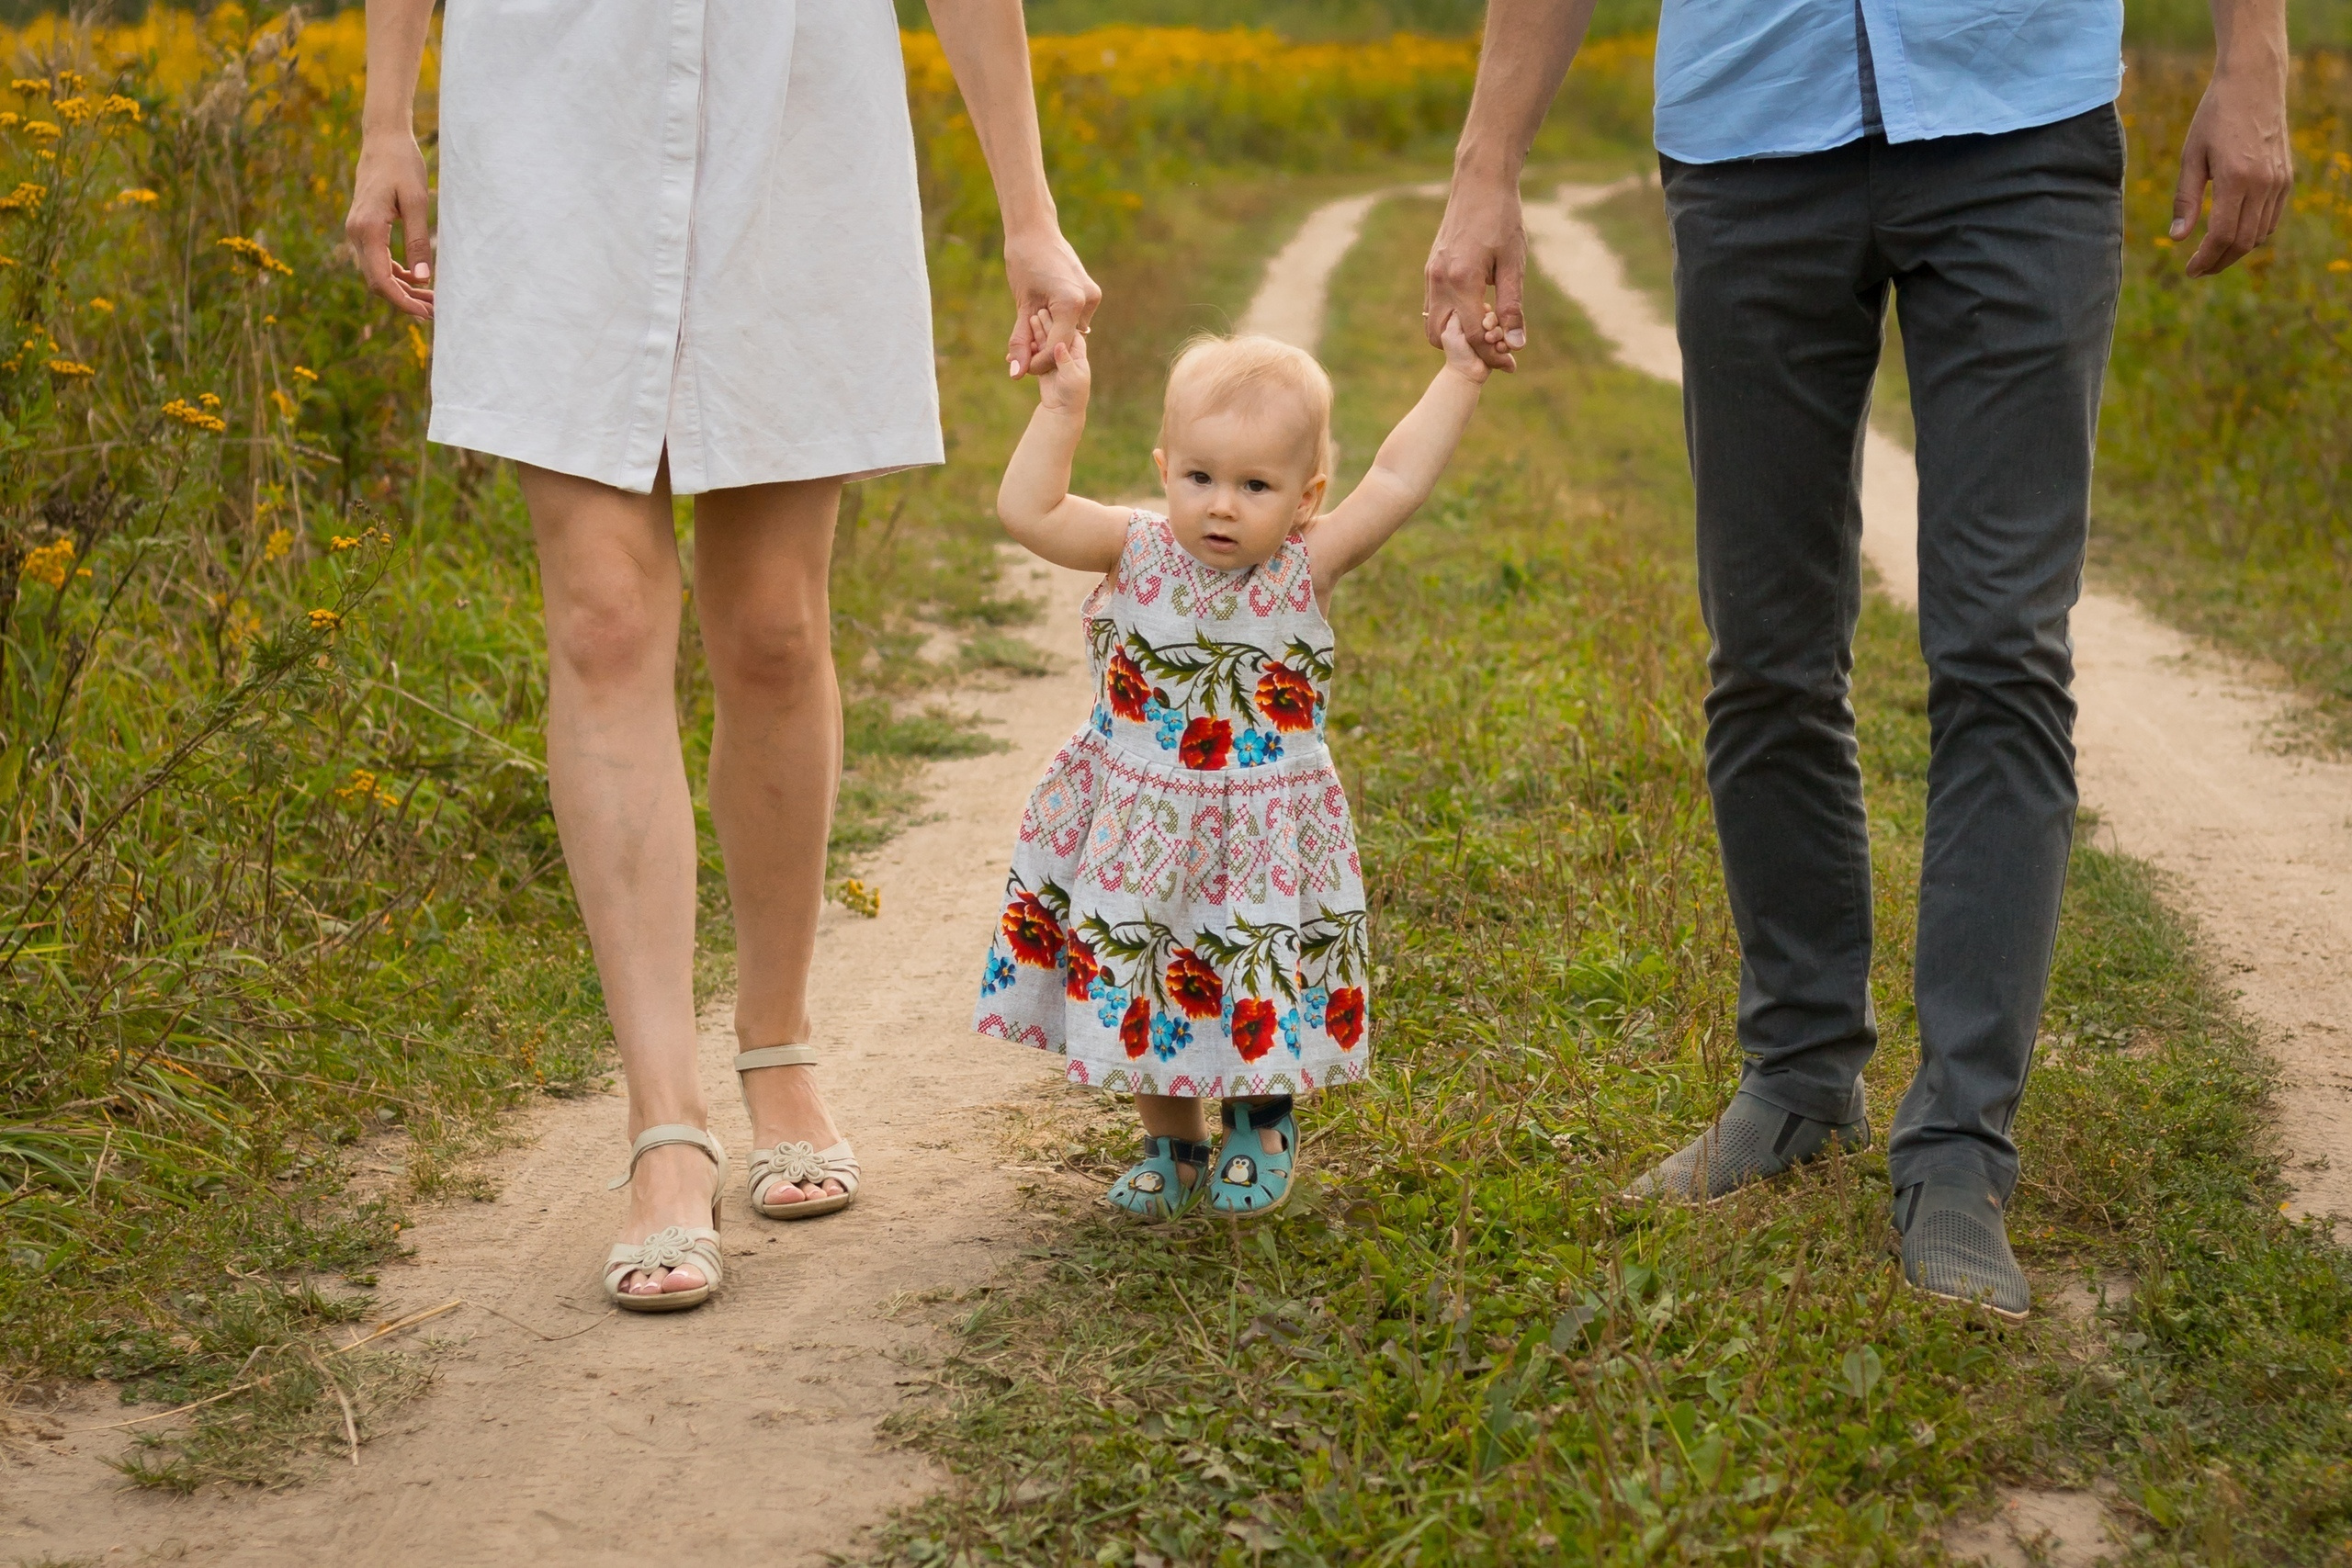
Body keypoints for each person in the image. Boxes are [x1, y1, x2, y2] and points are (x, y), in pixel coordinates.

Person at [1427, 0, 2289, 1317]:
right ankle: (1797, 1076)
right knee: (1765, 651)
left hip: (2019, 114)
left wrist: (2252, 61)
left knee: (2001, 649)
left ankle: (1958, 1150)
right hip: (1747, 129)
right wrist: (1485, 165)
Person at [345, 0, 1101, 1313]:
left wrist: (1027, 211)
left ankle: (777, 1040)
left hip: (795, 108)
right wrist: (383, 121)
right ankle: (666, 1125)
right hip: (556, 103)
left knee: (772, 627)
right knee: (603, 618)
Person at [972, 319, 1488, 1219]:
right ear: (1164, 466)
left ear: (1305, 496)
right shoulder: (1131, 546)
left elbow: (1397, 479)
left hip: (1259, 832)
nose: (1221, 506)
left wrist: (1461, 375)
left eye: (1255, 486)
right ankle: (1170, 1142)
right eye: (1199, 477)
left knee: (1254, 968)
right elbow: (1030, 512)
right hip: (1137, 822)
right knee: (1143, 966)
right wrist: (1062, 405)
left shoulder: (1305, 565)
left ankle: (1260, 1124)